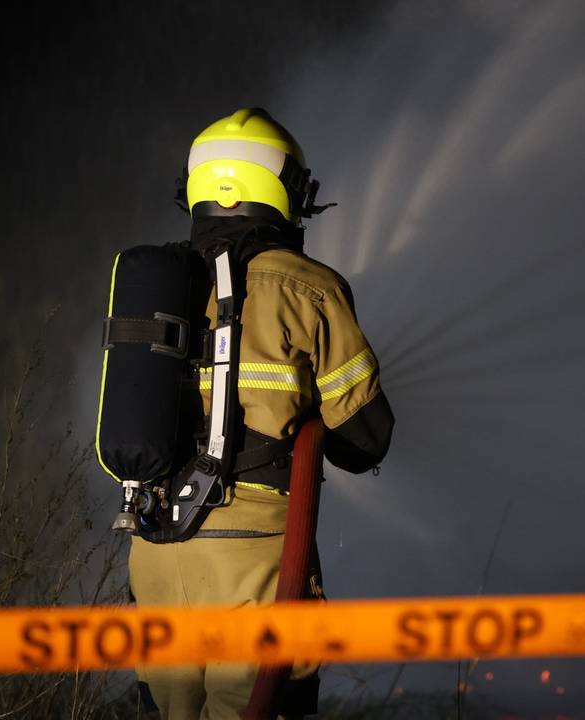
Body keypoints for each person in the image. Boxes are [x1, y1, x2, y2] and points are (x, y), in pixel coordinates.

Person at [127, 108, 395, 719]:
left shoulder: (155, 286)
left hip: (157, 548)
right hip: (254, 553)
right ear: (285, 191)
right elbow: (365, 437)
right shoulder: (309, 289)